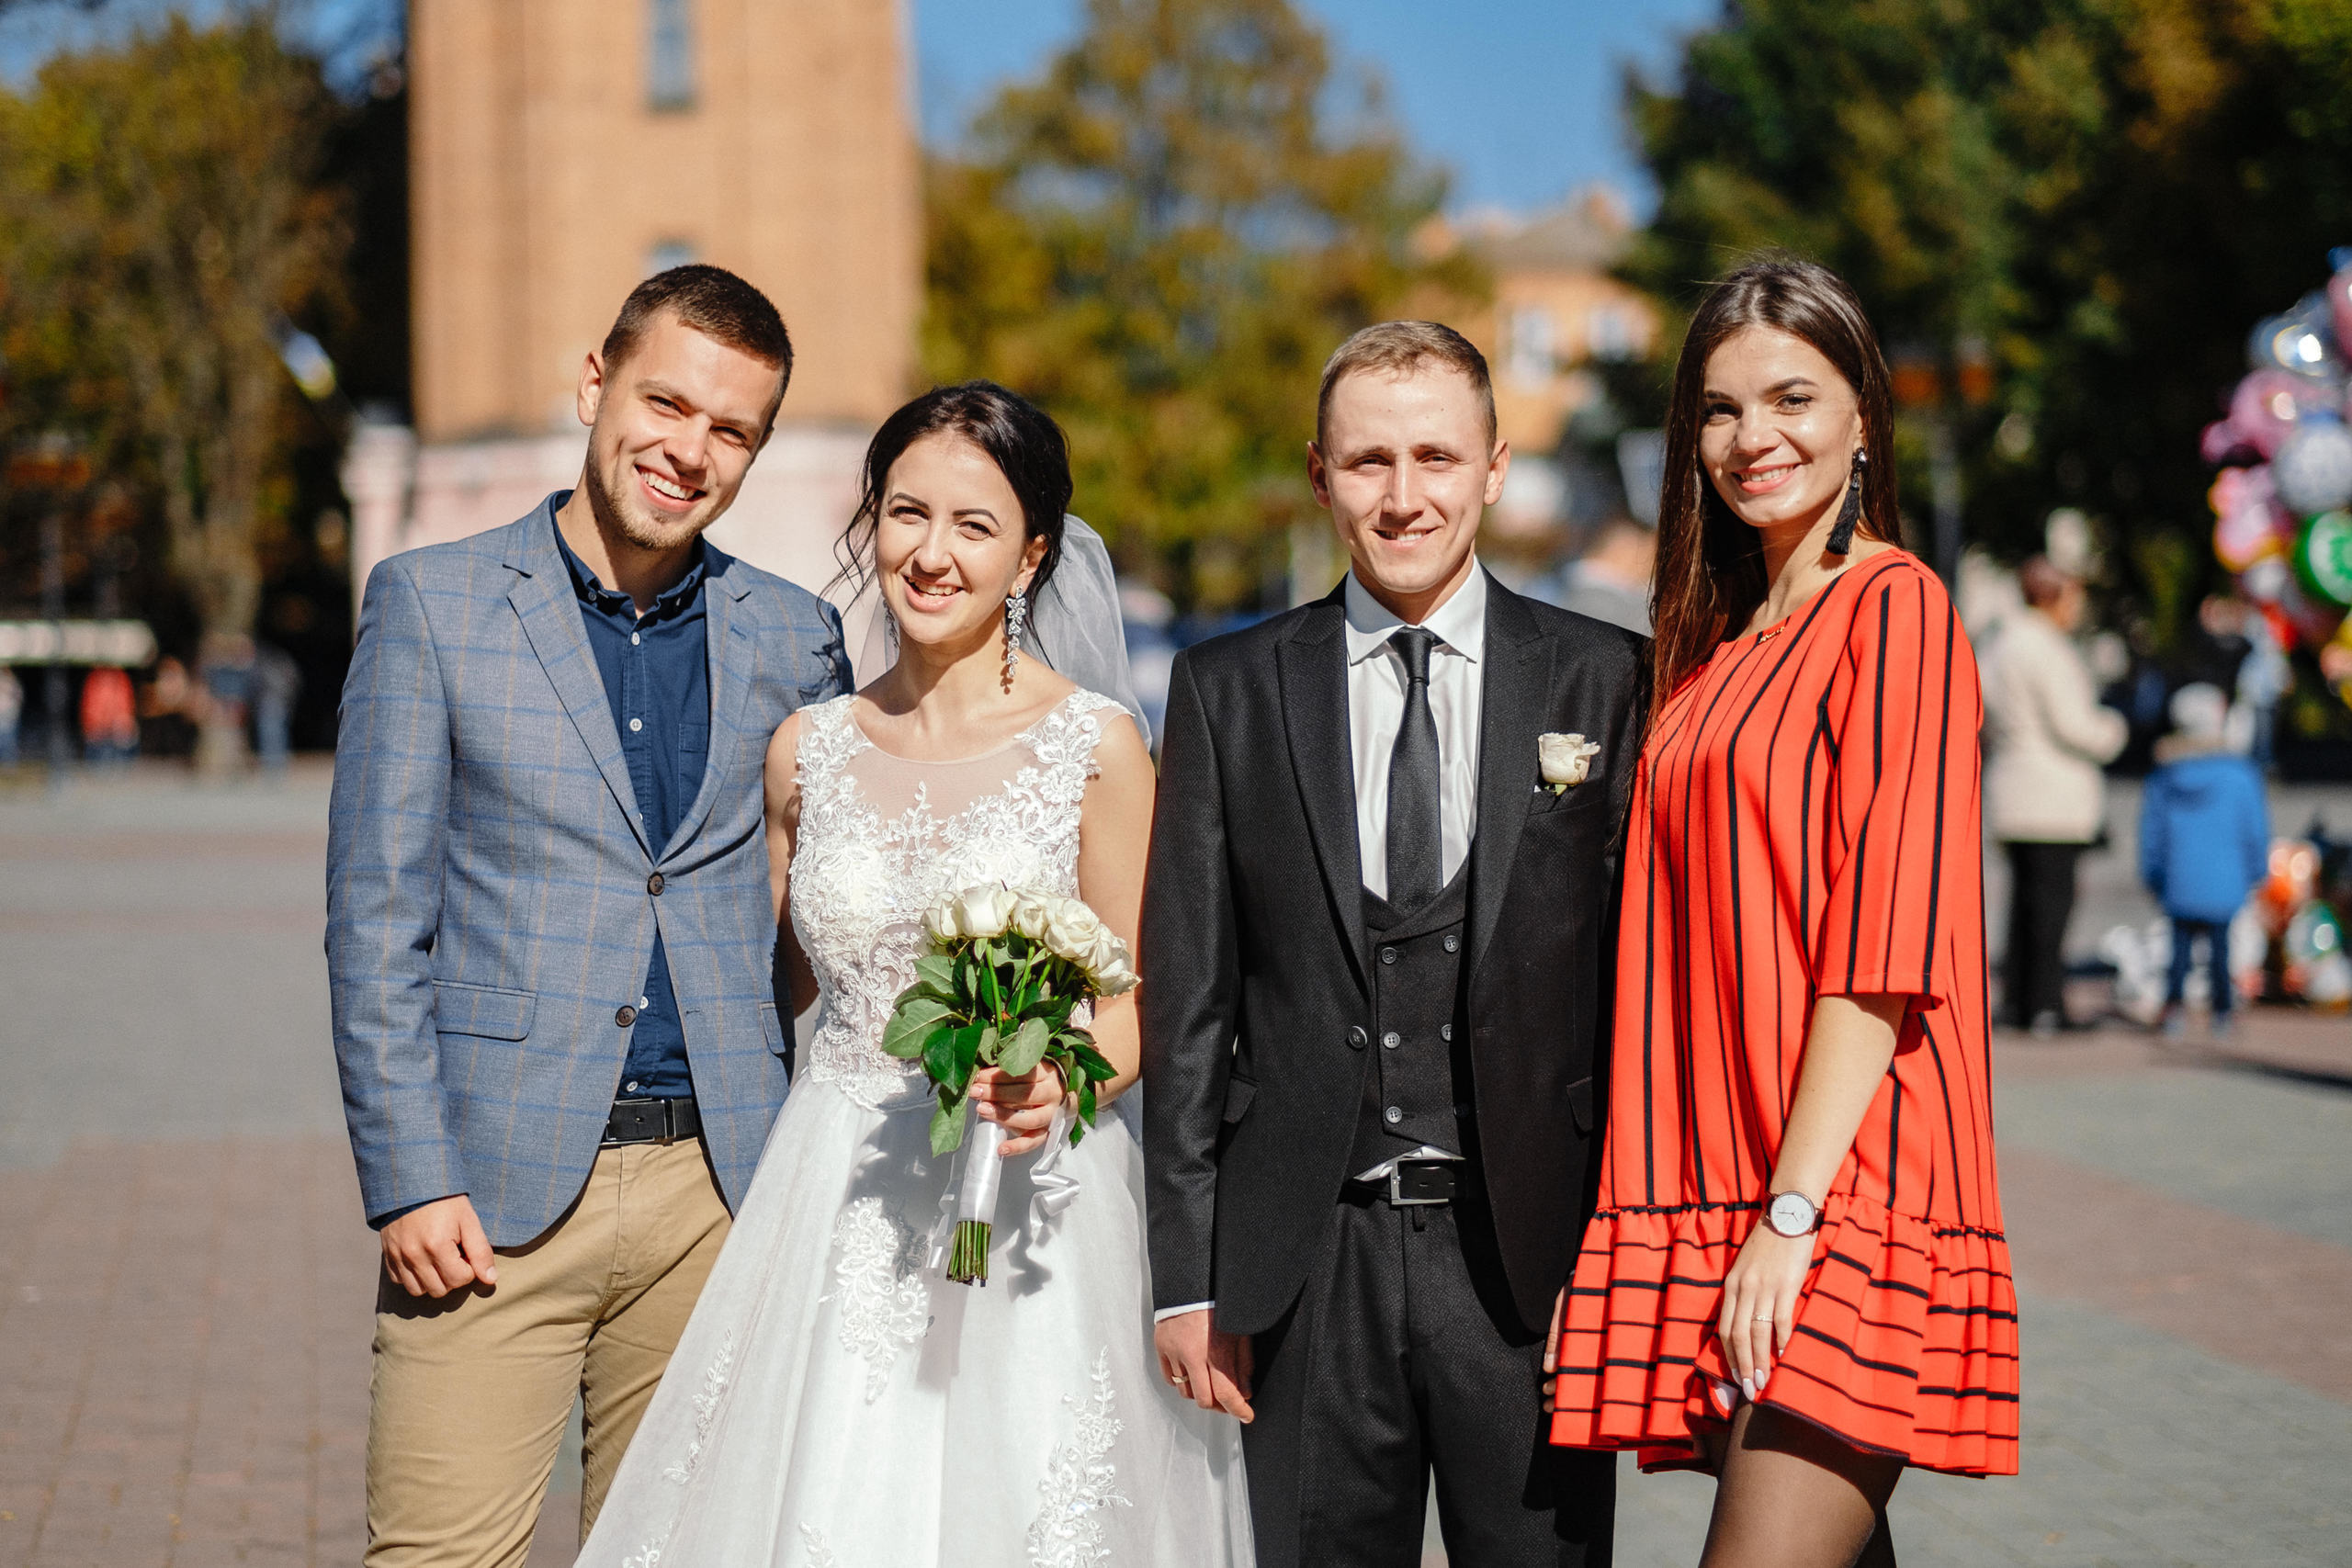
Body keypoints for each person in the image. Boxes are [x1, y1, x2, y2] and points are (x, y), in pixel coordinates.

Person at [576, 382, 1250, 1565]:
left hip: (1035, 1195)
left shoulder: (1093, 746)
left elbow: (1140, 996)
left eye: (974, 526)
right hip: (830, 1195)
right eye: (906, 514)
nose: (931, 555)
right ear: (871, 522)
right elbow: (764, 988)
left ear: (1032, 553)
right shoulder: (808, 750)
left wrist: (1065, 1080)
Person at [326, 265, 852, 1567]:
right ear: (593, 385)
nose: (689, 449)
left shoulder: (796, 635)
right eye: (666, 402)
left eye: (731, 430)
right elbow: (376, 917)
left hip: (719, 1195)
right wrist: (410, 1171)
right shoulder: (431, 603)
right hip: (487, 1195)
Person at [1143, 321, 1637, 1567]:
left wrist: (1623, 1250)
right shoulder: (1227, 688)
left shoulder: (1607, 680)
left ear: (1494, 467)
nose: (1403, 495)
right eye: (1370, 461)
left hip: (1534, 1272)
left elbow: (1638, 997)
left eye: (1434, 455)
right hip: (1304, 1267)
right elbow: (1190, 998)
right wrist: (1187, 1274)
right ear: (1320, 474)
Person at [1547, 259, 2018, 1566]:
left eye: (1792, 397)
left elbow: (1885, 951)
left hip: (1838, 1190)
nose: (1754, 438)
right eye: (1719, 408)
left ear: (1865, 413)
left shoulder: (1899, 608)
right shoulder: (1716, 643)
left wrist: (1791, 1220)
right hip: (1719, 1178)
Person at [1981, 554, 2128, 1033]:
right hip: (2052, 794)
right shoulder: (2045, 647)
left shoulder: (1998, 644)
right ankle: (2047, 1005)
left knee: (2023, 905)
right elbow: (2074, 725)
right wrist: (2114, 729)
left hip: (2012, 788)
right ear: (2053, 597)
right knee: (2052, 908)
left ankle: (2019, 1001)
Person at [2140, 682, 2269, 1036]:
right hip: (2225, 879)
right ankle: (2223, 1012)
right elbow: (2254, 831)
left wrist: (2152, 873)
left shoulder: (2165, 776)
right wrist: (2257, 870)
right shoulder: (2241, 775)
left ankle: (2173, 1010)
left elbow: (2152, 832)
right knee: (2220, 948)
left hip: (2179, 878)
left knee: (2178, 950)